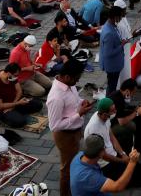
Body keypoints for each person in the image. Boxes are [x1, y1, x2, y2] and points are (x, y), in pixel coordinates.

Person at [47, 60, 91, 196]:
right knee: (67, 169)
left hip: (75, 131)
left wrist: (81, 102)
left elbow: (74, 99)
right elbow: (54, 126)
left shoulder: (69, 85)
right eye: (76, 79)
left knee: (76, 162)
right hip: (65, 135)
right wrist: (79, 114)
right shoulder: (56, 97)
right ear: (67, 77)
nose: (77, 82)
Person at [71, 134, 140, 196]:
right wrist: (132, 163)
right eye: (104, 148)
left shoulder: (80, 156)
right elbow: (117, 187)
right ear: (101, 153)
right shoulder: (88, 177)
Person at [101, 6, 126, 96]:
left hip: (114, 63)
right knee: (112, 86)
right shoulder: (109, 32)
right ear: (115, 17)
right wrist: (121, 45)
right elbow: (108, 53)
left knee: (112, 85)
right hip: (112, 65)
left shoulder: (111, 26)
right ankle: (109, 102)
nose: (121, 19)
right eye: (120, 16)